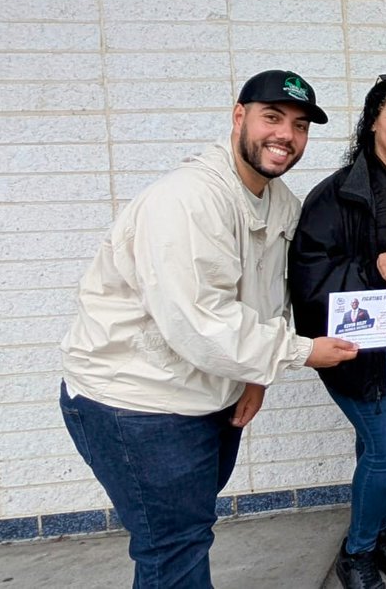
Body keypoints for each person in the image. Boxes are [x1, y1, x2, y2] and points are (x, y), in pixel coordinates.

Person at [59, 70, 358, 588]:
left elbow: (269, 295)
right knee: (174, 548)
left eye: (300, 125)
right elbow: (201, 322)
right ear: (238, 116)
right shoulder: (188, 201)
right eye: (272, 117)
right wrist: (301, 352)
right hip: (138, 403)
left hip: (208, 394)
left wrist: (255, 376)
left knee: (184, 535)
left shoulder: (278, 201)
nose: (286, 135)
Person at [290, 75, 386, 589]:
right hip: (361, 341)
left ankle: (377, 532)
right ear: (373, 122)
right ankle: (356, 551)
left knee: (375, 441)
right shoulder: (338, 193)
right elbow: (309, 276)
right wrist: (371, 269)